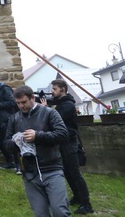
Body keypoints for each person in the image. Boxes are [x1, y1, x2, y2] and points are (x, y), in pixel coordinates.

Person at [4, 85, 70, 217]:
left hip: (52, 169)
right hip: (30, 173)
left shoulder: (49, 113)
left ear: (33, 98)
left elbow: (63, 135)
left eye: (24, 102)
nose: (21, 106)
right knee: (41, 214)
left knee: (60, 211)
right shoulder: (14, 118)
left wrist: (38, 136)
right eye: (18, 103)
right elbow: (6, 143)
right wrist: (16, 142)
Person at [42, 79, 93, 214]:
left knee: (74, 173)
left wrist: (46, 109)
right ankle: (77, 197)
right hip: (64, 142)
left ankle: (87, 204)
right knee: (67, 172)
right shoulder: (62, 103)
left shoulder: (68, 105)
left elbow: (57, 119)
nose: (52, 92)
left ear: (62, 89)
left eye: (54, 89)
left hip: (70, 143)